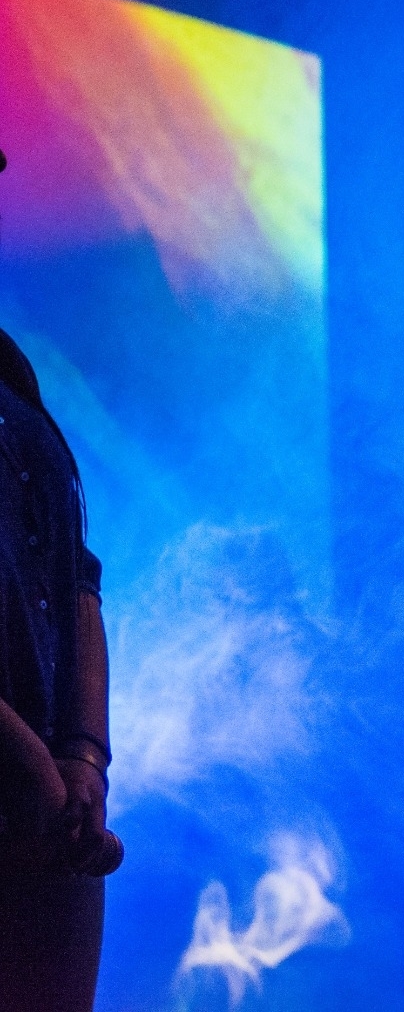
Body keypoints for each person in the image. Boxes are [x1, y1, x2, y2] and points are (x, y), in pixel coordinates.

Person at [0, 328, 119, 1012]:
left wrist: (83, 760)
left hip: (46, 806)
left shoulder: (8, 367)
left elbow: (78, 577)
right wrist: (30, 766)